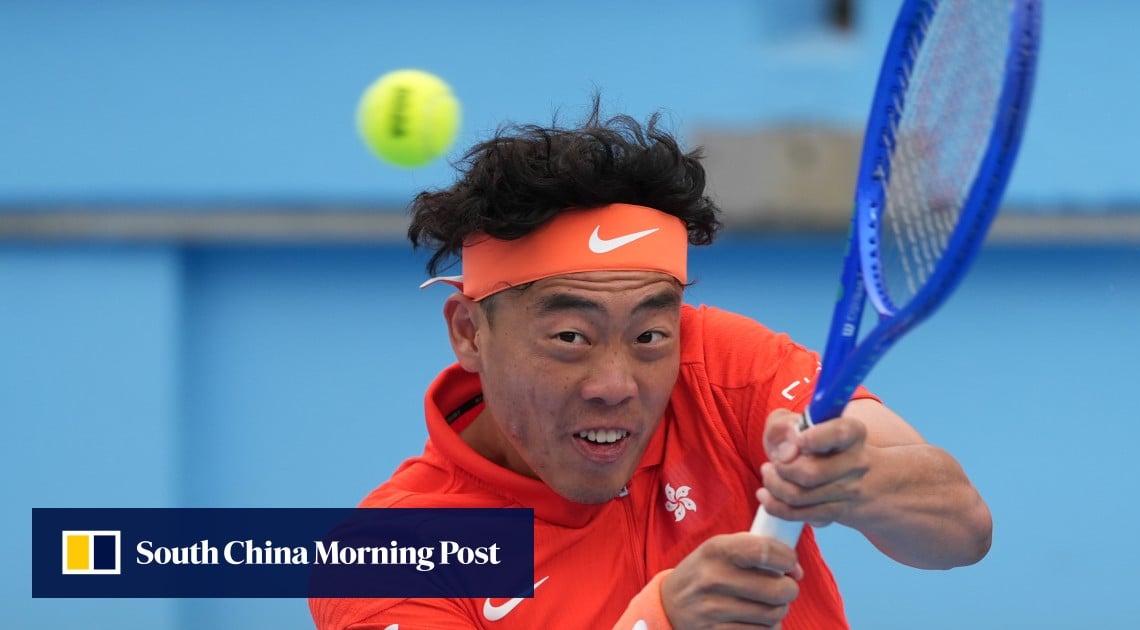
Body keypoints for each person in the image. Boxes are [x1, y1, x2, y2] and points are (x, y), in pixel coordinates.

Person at [310, 101, 992, 629]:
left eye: (649, 335)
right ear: (469, 332)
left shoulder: (723, 366)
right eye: (571, 337)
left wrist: (853, 482)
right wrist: (659, 620)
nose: (616, 385)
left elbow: (963, 530)